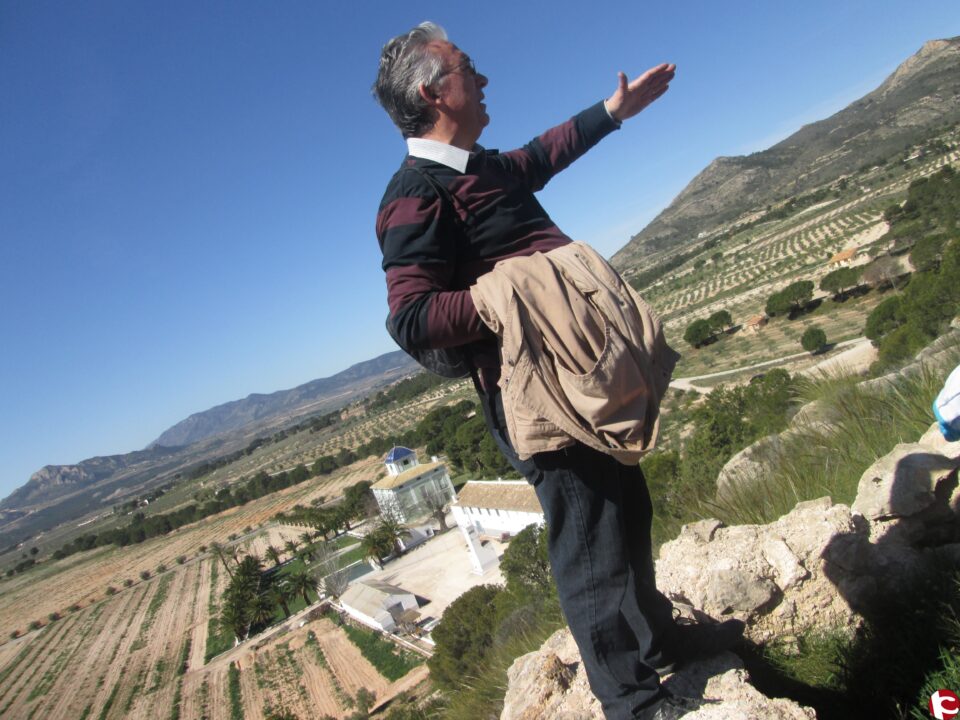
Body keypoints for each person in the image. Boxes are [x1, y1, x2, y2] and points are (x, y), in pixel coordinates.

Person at [373, 22, 742, 720]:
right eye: (467, 68)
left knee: (627, 509)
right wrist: (513, 294)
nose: (483, 79)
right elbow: (411, 318)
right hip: (535, 391)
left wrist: (613, 113)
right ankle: (631, 702)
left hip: (576, 377)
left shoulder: (478, 166)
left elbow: (543, 153)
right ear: (432, 91)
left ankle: (659, 642)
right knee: (590, 542)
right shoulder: (413, 194)